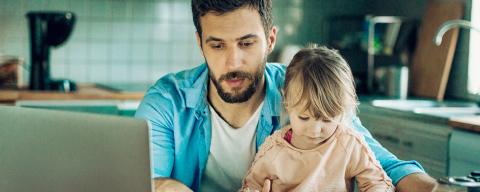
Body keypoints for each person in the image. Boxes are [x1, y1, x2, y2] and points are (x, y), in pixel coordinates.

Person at [135, 0, 438, 191]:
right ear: (199, 42)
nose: (233, 62)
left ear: (270, 40)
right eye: (217, 45)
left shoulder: (303, 88)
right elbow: (144, 181)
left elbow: (386, 166)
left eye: (246, 43)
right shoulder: (166, 101)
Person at [241, 46, 394, 192]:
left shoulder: (349, 145)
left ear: (343, 111)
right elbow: (250, 186)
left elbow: (378, 183)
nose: (315, 130)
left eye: (327, 120)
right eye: (304, 118)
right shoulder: (273, 150)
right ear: (287, 102)